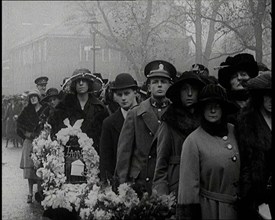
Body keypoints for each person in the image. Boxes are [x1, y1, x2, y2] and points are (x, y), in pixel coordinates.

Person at [176, 84, 240, 220]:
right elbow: (188, 190)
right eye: (208, 105)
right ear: (202, 109)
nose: (212, 110)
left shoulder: (235, 131)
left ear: (223, 108)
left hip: (238, 210)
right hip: (210, 211)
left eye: (217, 105)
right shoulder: (193, 141)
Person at [115, 60, 177, 196]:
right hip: (140, 182)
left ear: (170, 86)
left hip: (167, 181)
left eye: (163, 81)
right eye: (155, 82)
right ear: (148, 87)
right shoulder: (135, 113)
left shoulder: (177, 114)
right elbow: (124, 154)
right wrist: (123, 186)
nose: (159, 85)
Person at [152, 71, 205, 198]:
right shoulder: (169, 122)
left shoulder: (206, 121)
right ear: (178, 93)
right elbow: (161, 165)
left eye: (194, 89)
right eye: (185, 90)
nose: (190, 94)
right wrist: (162, 197)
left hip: (204, 185)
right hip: (177, 186)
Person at [235, 72, 273, 220]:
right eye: (267, 95)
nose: (271, 100)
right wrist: (256, 201)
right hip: (258, 195)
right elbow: (246, 165)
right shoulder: (247, 122)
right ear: (259, 97)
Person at [48, 68, 109, 153]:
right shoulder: (64, 106)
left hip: (93, 154)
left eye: (84, 80)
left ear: (89, 83)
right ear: (74, 84)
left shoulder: (99, 108)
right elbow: (54, 130)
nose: (81, 83)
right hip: (69, 154)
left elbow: (105, 136)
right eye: (78, 81)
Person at [99, 73, 138, 183]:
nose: (124, 98)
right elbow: (105, 159)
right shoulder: (109, 123)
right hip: (119, 181)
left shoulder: (145, 116)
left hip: (142, 181)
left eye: (127, 93)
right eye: (119, 94)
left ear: (135, 92)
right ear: (114, 96)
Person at [17, 89, 49, 203]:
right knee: (30, 168)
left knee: (41, 166)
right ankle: (30, 192)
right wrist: (26, 133)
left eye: (35, 96)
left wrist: (45, 133)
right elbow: (19, 123)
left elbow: (50, 122)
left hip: (42, 141)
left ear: (38, 97)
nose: (33, 99)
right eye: (31, 97)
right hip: (29, 142)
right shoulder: (27, 110)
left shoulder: (45, 109)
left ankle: (40, 192)